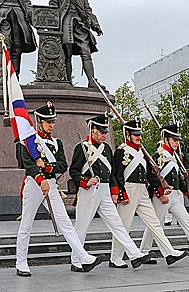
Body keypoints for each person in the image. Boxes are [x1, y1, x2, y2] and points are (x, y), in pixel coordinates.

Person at [15, 102, 103, 277]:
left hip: (51, 184)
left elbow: (62, 165)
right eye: (48, 122)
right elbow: (28, 164)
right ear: (39, 121)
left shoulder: (57, 143)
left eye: (53, 121)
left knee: (66, 223)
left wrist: (46, 168)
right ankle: (21, 262)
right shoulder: (28, 141)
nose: (51, 125)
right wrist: (41, 179)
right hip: (34, 185)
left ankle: (83, 257)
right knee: (26, 225)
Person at [69, 113, 152, 271]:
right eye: (101, 132)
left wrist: (115, 191)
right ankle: (76, 260)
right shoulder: (82, 147)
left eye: (105, 132)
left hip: (105, 190)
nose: (104, 135)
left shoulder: (106, 148)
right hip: (89, 191)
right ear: (92, 131)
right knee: (82, 226)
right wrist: (86, 181)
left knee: (117, 224)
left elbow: (112, 172)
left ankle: (134, 254)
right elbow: (73, 171)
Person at [110, 118, 188, 268]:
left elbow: (150, 175)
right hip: (129, 190)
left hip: (142, 192)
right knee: (124, 226)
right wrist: (121, 193)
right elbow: (117, 174)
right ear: (128, 135)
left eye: (139, 134)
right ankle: (115, 258)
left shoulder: (142, 152)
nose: (138, 137)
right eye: (135, 134)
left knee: (154, 223)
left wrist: (160, 189)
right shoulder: (121, 151)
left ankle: (169, 252)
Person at [140, 124, 189, 264]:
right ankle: (143, 252)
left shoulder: (174, 155)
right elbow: (153, 177)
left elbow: (178, 178)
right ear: (166, 139)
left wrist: (187, 193)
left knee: (187, 221)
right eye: (174, 140)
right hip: (162, 196)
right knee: (154, 225)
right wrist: (160, 194)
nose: (177, 143)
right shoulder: (158, 155)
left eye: (177, 140)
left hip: (175, 196)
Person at [49, 0, 103, 87]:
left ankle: (92, 81)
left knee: (86, 51)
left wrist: (95, 24)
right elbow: (52, 6)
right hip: (64, 22)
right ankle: (67, 82)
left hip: (80, 24)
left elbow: (87, 7)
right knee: (66, 53)